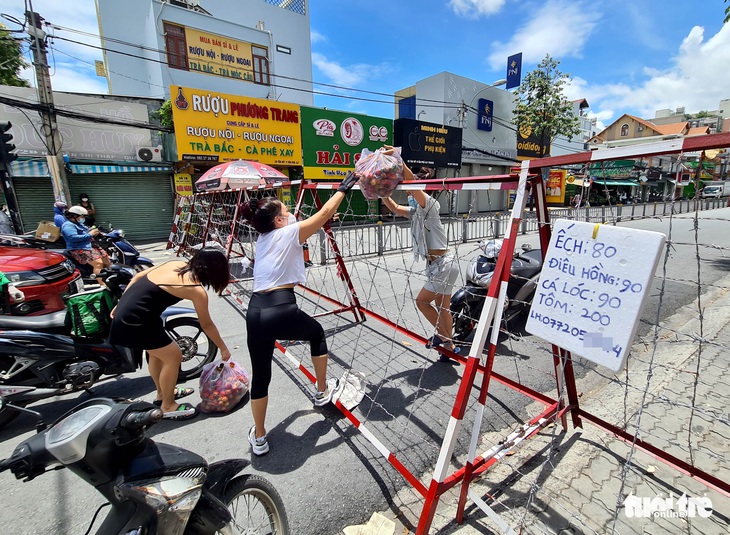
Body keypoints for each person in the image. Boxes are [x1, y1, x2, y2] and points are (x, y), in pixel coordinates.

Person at [240, 170, 358, 455]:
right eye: (285, 210)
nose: (291, 211)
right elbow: (324, 213)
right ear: (279, 220)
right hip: (280, 305)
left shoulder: (264, 238)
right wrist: (344, 188)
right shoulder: (289, 231)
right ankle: (321, 392)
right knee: (316, 334)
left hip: (255, 310)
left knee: (261, 375)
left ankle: (259, 436)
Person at [109, 247, 232, 420]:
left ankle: (162, 393)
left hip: (137, 314)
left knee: (157, 355)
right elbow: (206, 324)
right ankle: (168, 405)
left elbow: (138, 276)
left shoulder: (176, 263)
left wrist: (122, 303)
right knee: (173, 356)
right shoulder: (195, 289)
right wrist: (223, 348)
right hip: (137, 320)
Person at [381, 153, 461, 359]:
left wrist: (398, 159)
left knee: (422, 302)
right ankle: (449, 349)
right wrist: (380, 191)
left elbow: (413, 186)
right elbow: (394, 207)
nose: (408, 192)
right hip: (441, 264)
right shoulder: (416, 211)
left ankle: (444, 339)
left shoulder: (431, 206)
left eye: (410, 189)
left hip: (443, 264)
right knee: (443, 307)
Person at [61, 205, 110, 285]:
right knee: (98, 263)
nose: (83, 218)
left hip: (90, 245)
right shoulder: (68, 225)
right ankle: (103, 285)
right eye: (82, 216)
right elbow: (73, 238)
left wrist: (94, 231)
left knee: (106, 261)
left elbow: (87, 231)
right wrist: (90, 234)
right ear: (74, 216)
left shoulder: (79, 224)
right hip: (79, 248)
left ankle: (111, 280)